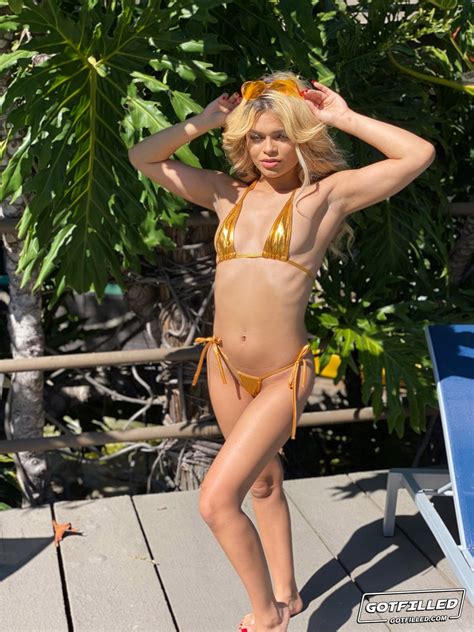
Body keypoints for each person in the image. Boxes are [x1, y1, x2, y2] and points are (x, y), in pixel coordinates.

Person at [128, 70, 435, 632]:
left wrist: (342, 116)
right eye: (257, 137)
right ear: (244, 142)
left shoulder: (326, 196)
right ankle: (287, 594)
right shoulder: (226, 193)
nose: (268, 149)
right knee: (263, 482)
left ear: (301, 139)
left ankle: (267, 618)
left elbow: (418, 154)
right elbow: (142, 157)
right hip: (224, 366)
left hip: (282, 374)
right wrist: (204, 122)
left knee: (216, 501)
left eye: (281, 136)